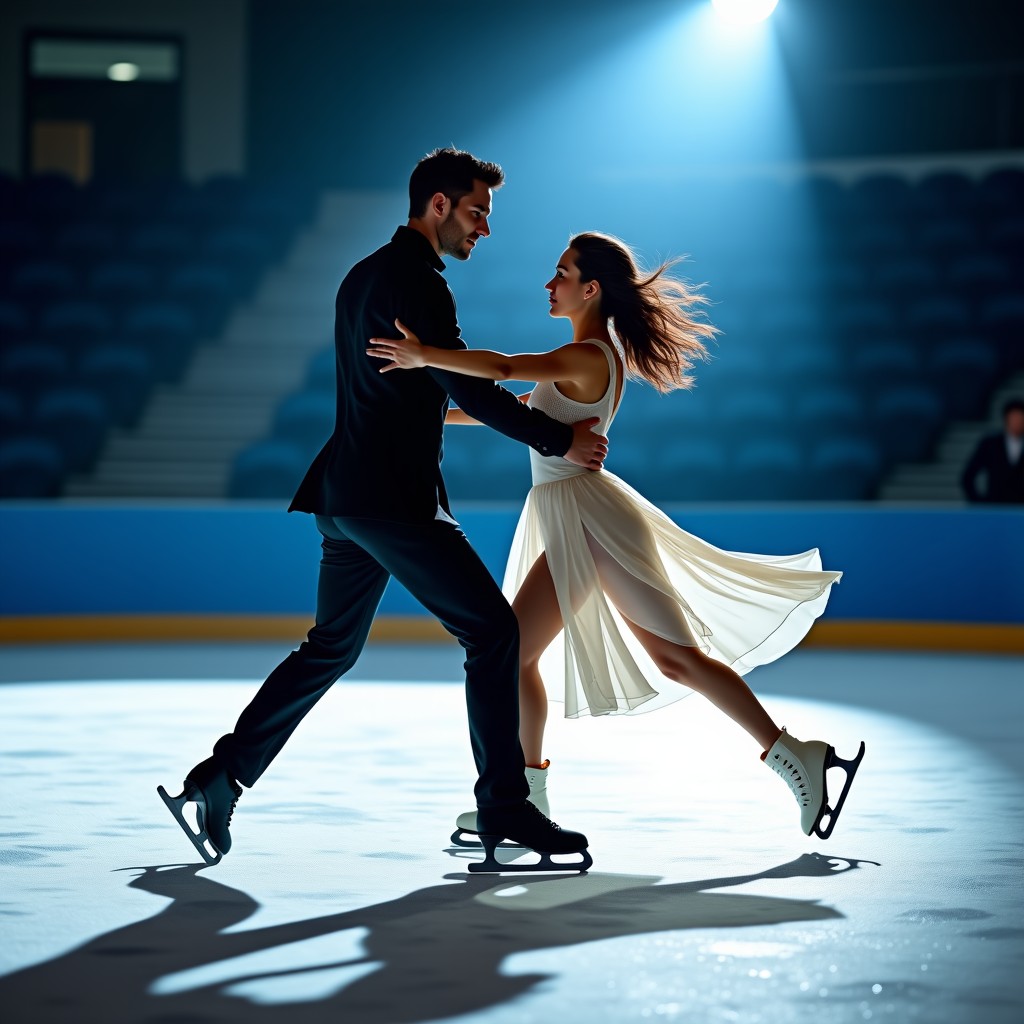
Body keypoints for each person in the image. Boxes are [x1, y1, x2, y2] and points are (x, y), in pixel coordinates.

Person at [159, 148, 609, 874]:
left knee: (330, 648)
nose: (483, 230)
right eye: (476, 214)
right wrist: (560, 435)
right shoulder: (421, 284)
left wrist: (492, 403)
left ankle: (221, 776)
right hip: (394, 502)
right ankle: (504, 807)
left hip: (345, 497)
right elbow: (466, 387)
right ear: (438, 205)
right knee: (493, 632)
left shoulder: (362, 276)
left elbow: (424, 395)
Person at [368, 231, 865, 842]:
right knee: (516, 654)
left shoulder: (588, 356)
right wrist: (419, 409)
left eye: (561, 273)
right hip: (573, 521)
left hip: (595, 524)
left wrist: (427, 357)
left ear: (590, 288)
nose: (549, 285)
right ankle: (526, 801)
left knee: (676, 660)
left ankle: (796, 756)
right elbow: (511, 404)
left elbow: (500, 368)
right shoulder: (581, 356)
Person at [960, 397, 1024, 504]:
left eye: (1021, 418)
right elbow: (968, 476)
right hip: (996, 507)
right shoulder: (990, 445)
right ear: (1006, 419)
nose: (1018, 422)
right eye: (1014, 418)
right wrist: (979, 503)